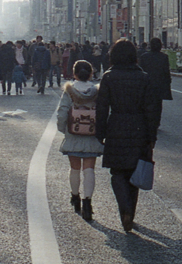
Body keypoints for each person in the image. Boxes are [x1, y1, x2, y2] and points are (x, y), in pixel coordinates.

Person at [94, 39, 162, 233]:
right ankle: (130, 210)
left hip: (116, 125)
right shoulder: (144, 78)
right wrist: (152, 135)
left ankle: (124, 208)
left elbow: (101, 107)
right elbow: (153, 109)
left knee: (117, 172)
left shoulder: (109, 77)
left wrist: (100, 131)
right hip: (139, 127)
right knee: (135, 170)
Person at [57, 60, 104, 221]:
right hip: (91, 134)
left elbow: (62, 112)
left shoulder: (69, 91)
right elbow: (104, 112)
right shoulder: (96, 91)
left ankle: (75, 196)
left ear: (74, 73)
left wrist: (63, 129)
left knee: (75, 168)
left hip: (73, 133)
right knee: (89, 168)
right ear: (91, 74)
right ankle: (88, 202)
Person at [138, 37, 173, 110]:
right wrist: (168, 82)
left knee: (146, 107)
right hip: (159, 86)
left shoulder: (144, 57)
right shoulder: (164, 57)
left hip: (147, 86)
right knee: (157, 107)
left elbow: (140, 72)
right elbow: (166, 72)